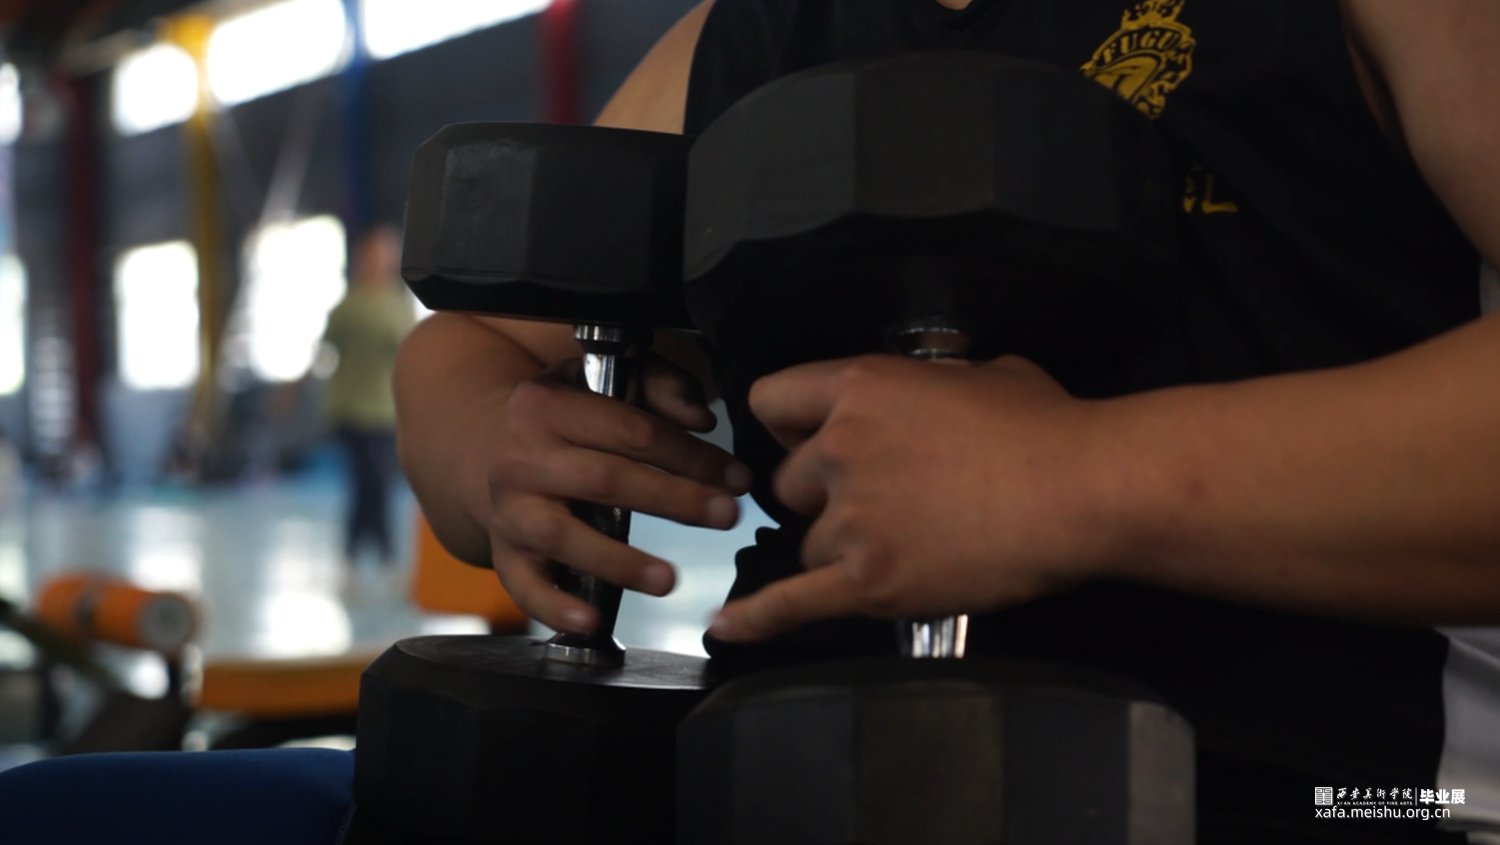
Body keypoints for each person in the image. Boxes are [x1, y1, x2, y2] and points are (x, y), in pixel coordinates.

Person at [1, 2, 1497, 843]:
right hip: (759, 775)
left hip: (1324, 795)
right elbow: (471, 341)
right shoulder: (751, 34)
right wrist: (490, 444)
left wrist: (1081, 481)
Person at [322, 225, 417, 586]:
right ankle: (383, 557)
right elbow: (324, 351)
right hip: (352, 411)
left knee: (374, 486)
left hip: (387, 412)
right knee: (370, 483)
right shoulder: (349, 307)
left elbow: (413, 356)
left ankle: (355, 558)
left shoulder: (399, 305)